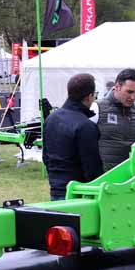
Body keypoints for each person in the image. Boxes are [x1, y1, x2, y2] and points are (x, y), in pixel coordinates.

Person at [42, 73, 103, 201]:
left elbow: (46, 156)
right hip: (78, 191)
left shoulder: (51, 118)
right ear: (89, 96)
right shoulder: (86, 126)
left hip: (55, 186)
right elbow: (92, 167)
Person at [96, 68, 135, 172]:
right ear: (117, 87)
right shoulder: (97, 108)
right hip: (101, 178)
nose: (133, 97)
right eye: (129, 92)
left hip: (130, 179)